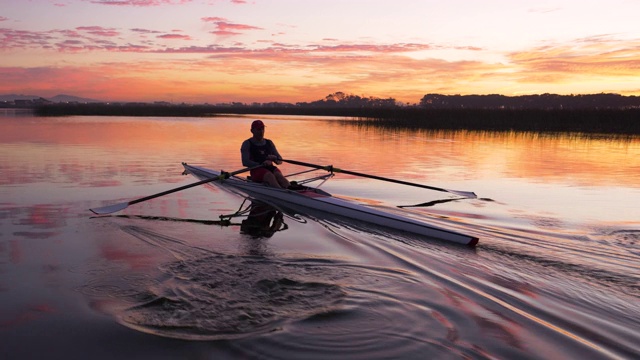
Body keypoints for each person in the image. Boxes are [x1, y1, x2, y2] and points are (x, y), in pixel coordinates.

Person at [240, 120, 290, 188]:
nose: (261, 132)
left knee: (279, 176)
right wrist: (261, 164)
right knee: (270, 176)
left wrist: (275, 158)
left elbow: (280, 160)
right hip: (256, 170)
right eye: (258, 129)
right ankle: (283, 193)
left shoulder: (269, 143)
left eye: (262, 129)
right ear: (252, 131)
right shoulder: (247, 144)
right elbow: (245, 162)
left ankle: (291, 190)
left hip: (271, 168)